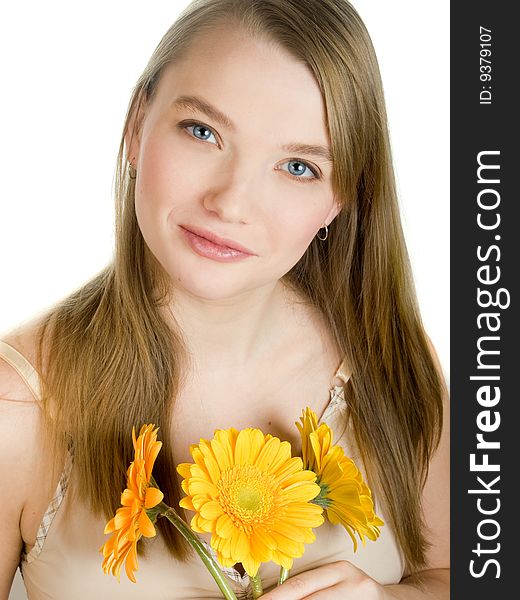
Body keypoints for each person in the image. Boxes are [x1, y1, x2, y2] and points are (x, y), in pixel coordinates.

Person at [0, 0, 449, 598]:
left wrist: (395, 598)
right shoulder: (17, 409)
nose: (232, 203)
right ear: (137, 126)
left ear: (341, 198)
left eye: (297, 166)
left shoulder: (384, 358)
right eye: (203, 132)